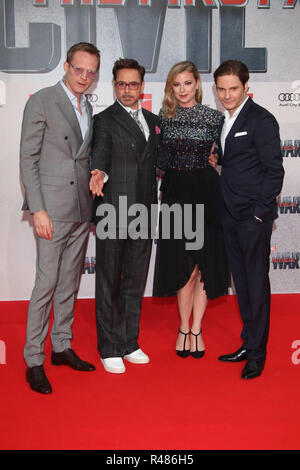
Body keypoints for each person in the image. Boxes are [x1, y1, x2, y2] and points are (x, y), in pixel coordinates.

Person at [20, 42, 100, 394]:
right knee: (46, 284)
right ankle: (34, 359)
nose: (84, 77)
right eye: (79, 69)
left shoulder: (89, 107)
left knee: (69, 283)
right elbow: (28, 159)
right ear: (66, 67)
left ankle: (61, 346)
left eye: (91, 72)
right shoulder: (42, 100)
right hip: (51, 209)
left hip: (81, 209)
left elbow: (83, 157)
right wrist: (37, 208)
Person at [90, 58, 166, 374]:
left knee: (135, 280)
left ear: (142, 86)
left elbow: (160, 162)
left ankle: (129, 342)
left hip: (145, 211)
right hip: (113, 210)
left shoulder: (153, 120)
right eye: (121, 83)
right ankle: (109, 347)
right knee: (109, 280)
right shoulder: (104, 120)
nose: (127, 90)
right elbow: (101, 153)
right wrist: (99, 171)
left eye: (133, 84)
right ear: (114, 85)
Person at [153, 61, 229, 359]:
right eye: (176, 84)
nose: (182, 90)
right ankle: (183, 327)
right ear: (171, 87)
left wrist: (215, 161)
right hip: (175, 193)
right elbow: (158, 159)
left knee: (203, 265)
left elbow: (225, 154)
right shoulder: (163, 118)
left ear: (197, 83)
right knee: (183, 265)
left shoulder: (214, 118)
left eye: (187, 83)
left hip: (207, 193)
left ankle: (197, 328)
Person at [214, 60, 284, 379]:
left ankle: (257, 353)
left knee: (256, 284)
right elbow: (234, 162)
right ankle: (248, 341)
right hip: (229, 214)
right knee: (241, 285)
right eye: (222, 89)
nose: (227, 95)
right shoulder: (223, 120)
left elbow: (274, 172)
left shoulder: (261, 120)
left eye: (234, 89)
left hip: (252, 218)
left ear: (246, 87)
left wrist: (258, 214)